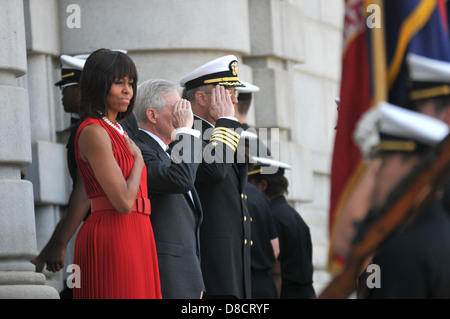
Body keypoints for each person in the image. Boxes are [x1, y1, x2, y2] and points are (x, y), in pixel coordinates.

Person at [72, 48, 161, 299]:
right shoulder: (93, 131)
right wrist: (139, 161)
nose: (128, 90)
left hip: (140, 231)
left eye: (131, 83)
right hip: (114, 233)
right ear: (98, 84)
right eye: (118, 82)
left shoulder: (118, 129)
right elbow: (122, 202)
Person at [353, 102, 450, 298]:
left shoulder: (402, 251)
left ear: (412, 167)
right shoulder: (440, 230)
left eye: (384, 163)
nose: (377, 174)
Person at [180, 55, 252, 298]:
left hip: (232, 263)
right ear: (201, 97)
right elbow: (215, 172)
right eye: (227, 92)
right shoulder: (190, 133)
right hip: (210, 265)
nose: (234, 99)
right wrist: (226, 122)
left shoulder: (218, 132)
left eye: (234, 92)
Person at [132, 79, 205, 299]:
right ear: (152, 115)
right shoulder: (140, 150)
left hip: (186, 276)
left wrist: (196, 279)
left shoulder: (166, 151)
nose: (185, 115)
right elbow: (180, 180)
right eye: (177, 109)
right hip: (166, 275)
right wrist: (185, 131)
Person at [248, 156, 316, 299]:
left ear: (262, 186)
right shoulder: (293, 215)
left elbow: (275, 270)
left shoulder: (271, 217)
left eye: (250, 184)